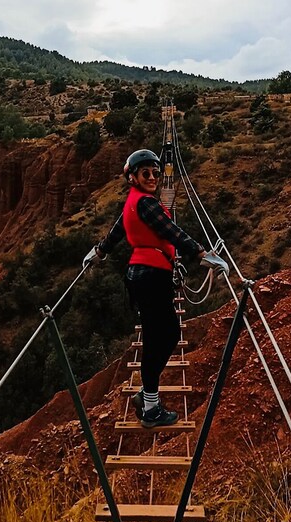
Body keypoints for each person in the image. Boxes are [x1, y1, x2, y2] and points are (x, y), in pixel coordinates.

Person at [83, 149, 229, 428]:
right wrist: (202, 255)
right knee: (159, 338)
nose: (152, 177)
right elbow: (171, 231)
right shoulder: (147, 204)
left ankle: (148, 396)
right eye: (145, 173)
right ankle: (150, 407)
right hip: (150, 275)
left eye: (155, 173)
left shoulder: (134, 202)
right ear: (133, 177)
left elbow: (117, 232)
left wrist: (99, 251)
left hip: (146, 275)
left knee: (164, 334)